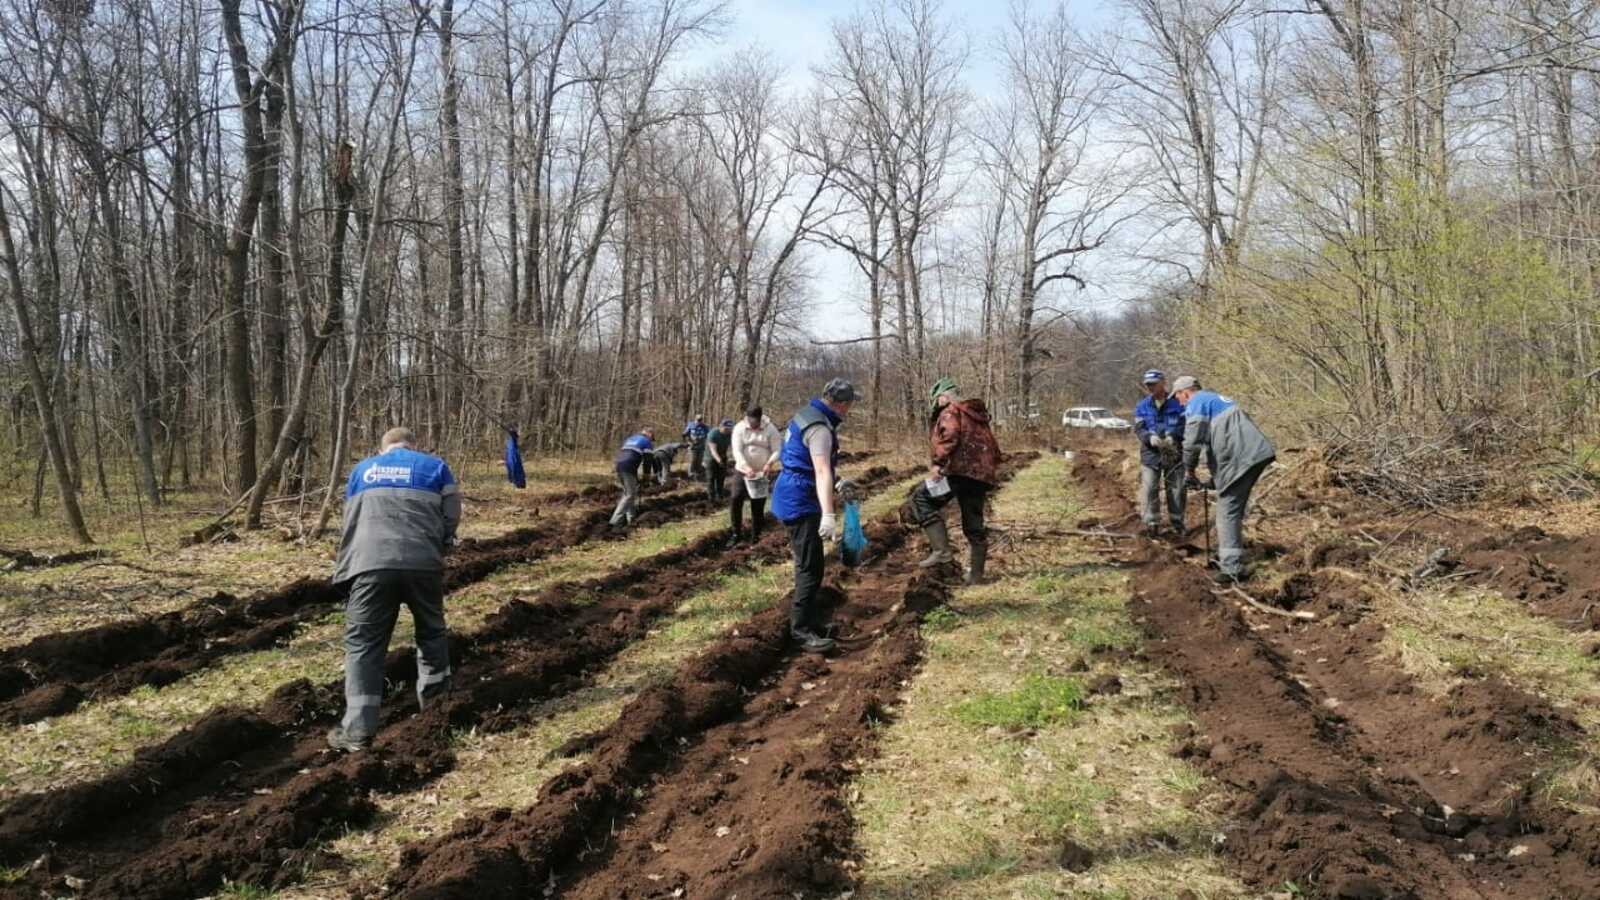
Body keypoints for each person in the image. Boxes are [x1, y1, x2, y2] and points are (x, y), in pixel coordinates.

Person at [327, 427, 460, 751]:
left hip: (370, 565)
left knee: (364, 644)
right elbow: (452, 516)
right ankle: (435, 710)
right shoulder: (435, 467)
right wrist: (441, 543)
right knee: (431, 632)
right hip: (423, 565)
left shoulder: (361, 470)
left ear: (383, 447)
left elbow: (351, 519)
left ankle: (357, 731)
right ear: (414, 445)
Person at [770, 378, 861, 653]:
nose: (849, 409)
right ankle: (800, 632)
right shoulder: (820, 428)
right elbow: (820, 470)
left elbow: (809, 462)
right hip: (799, 500)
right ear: (842, 404)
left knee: (813, 564)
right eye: (849, 404)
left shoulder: (807, 414)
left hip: (795, 491)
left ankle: (809, 622)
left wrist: (837, 481)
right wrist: (829, 514)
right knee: (809, 567)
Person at [1172, 376, 1276, 584]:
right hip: (1255, 454)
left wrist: (1189, 471)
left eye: (1178, 398)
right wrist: (1214, 479)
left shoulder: (1197, 402)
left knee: (1226, 511)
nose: (1179, 403)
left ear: (1185, 392)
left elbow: (1192, 443)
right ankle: (1232, 555)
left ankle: (1231, 569)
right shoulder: (1215, 400)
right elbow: (1224, 440)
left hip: (1242, 459)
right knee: (1232, 507)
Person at [911, 377, 1001, 585]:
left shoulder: (951, 411)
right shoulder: (978, 416)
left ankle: (941, 552)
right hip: (980, 477)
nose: (937, 404)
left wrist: (938, 463)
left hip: (959, 473)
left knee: (921, 498)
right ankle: (976, 577)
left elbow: (950, 434)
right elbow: (994, 448)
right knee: (974, 527)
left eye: (937, 400)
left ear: (943, 396)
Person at [1133, 370, 1186, 537]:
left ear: (1163, 383)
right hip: (1150, 455)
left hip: (1173, 453)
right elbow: (1139, 429)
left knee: (1176, 489)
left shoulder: (1178, 404)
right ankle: (1151, 523)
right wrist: (1150, 438)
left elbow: (1184, 426)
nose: (1150, 387)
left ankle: (1177, 523)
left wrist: (1173, 436)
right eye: (1148, 384)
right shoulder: (1142, 406)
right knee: (1149, 489)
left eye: (1153, 384)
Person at [728, 405, 781, 548]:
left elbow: (777, 449)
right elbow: (737, 451)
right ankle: (735, 534)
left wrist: (769, 463)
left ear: (760, 418)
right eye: (750, 420)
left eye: (755, 421)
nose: (753, 423)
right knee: (736, 498)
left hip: (761, 472)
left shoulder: (770, 429)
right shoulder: (739, 428)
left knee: (757, 504)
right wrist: (746, 467)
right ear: (747, 418)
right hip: (742, 470)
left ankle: (756, 535)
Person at [611, 427, 655, 528]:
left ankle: (631, 518)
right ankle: (614, 521)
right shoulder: (647, 442)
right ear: (650, 434)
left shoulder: (630, 439)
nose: (651, 440)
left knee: (629, 493)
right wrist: (646, 478)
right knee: (630, 495)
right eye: (652, 438)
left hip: (619, 465)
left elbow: (627, 455)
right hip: (628, 467)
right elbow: (647, 463)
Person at [706, 419, 734, 502]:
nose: (727, 431)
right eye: (726, 429)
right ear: (720, 427)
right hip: (710, 458)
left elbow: (733, 447)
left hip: (723, 457)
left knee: (721, 478)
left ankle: (720, 496)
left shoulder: (729, 434)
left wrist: (734, 457)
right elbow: (713, 450)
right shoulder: (713, 434)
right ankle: (711, 498)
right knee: (711, 478)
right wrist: (719, 461)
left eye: (729, 429)